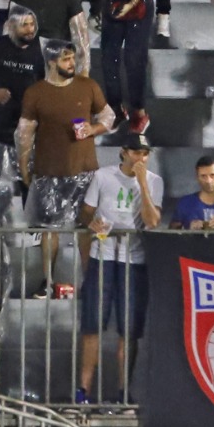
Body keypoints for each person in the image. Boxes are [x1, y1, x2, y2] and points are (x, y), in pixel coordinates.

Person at [75, 138, 162, 401]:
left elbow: (152, 221)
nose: (141, 158)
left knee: (129, 330)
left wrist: (143, 184)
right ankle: (83, 390)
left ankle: (124, 392)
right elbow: (85, 212)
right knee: (92, 325)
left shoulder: (154, 181)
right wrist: (92, 224)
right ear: (123, 152)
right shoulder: (103, 176)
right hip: (102, 255)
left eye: (146, 153)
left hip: (133, 259)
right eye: (136, 152)